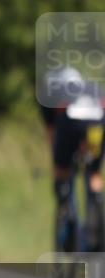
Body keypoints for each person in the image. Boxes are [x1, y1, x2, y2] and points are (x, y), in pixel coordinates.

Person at [39, 66, 104, 253]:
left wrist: (58, 164)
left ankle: (67, 211)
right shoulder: (90, 87)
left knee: (63, 172)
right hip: (98, 121)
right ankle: (97, 206)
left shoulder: (48, 93)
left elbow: (52, 133)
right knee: (93, 172)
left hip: (71, 122)